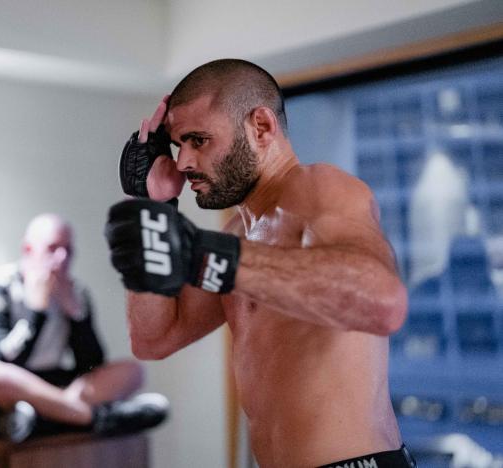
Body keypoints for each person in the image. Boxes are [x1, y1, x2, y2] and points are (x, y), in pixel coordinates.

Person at [106, 59, 416, 467]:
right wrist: (151, 203)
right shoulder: (235, 235)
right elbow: (154, 339)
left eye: (198, 140)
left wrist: (210, 256)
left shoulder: (319, 190)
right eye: (179, 144)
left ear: (262, 127)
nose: (182, 162)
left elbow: (383, 303)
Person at [0, 214, 168, 441]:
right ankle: (91, 418)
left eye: (69, 250)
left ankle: (45, 418)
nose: (62, 258)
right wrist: (37, 312)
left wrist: (77, 316)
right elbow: (1, 359)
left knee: (132, 371)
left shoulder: (75, 292)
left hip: (49, 385)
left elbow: (92, 363)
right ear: (28, 250)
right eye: (53, 248)